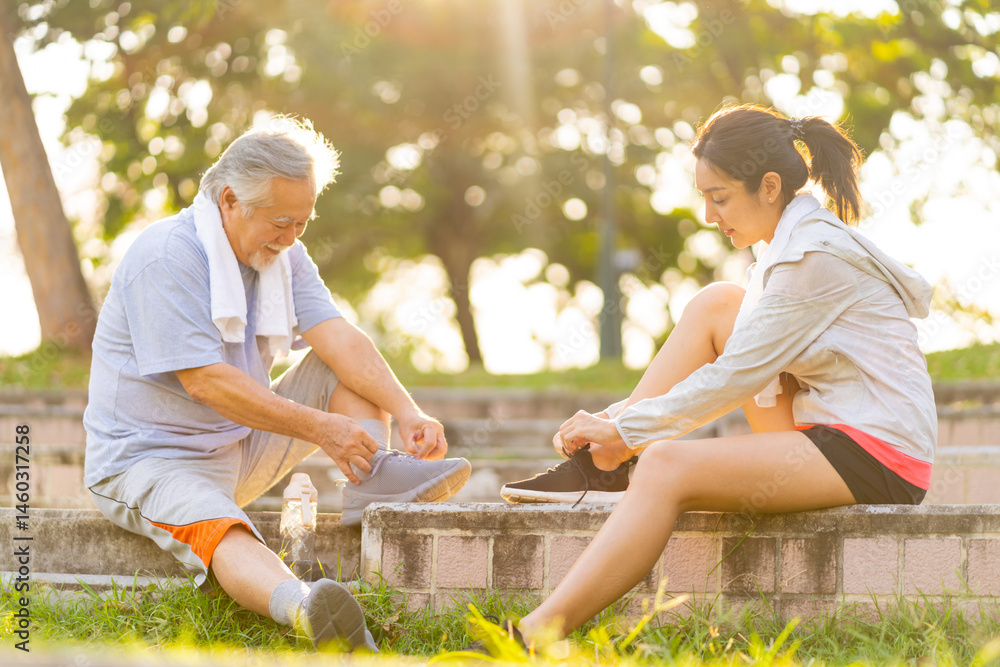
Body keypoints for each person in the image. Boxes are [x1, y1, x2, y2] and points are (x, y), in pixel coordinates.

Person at [501, 104, 937, 644]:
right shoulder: (785, 247)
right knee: (718, 305)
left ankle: (535, 635)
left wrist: (629, 429)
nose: (709, 215)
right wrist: (614, 420)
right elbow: (741, 356)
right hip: (828, 430)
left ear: (770, 186)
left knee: (664, 463)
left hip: (876, 452)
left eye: (720, 197)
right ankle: (605, 462)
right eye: (705, 196)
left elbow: (735, 377)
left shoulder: (812, 257)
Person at [83, 117, 471, 652]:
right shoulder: (166, 256)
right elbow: (205, 383)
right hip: (147, 460)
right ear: (229, 201)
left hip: (235, 447)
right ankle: (306, 608)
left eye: (303, 225)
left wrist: (408, 413)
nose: (290, 239)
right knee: (222, 526)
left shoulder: (283, 254)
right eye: (282, 222)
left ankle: (369, 479)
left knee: (336, 364)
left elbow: (338, 337)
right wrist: (321, 428)